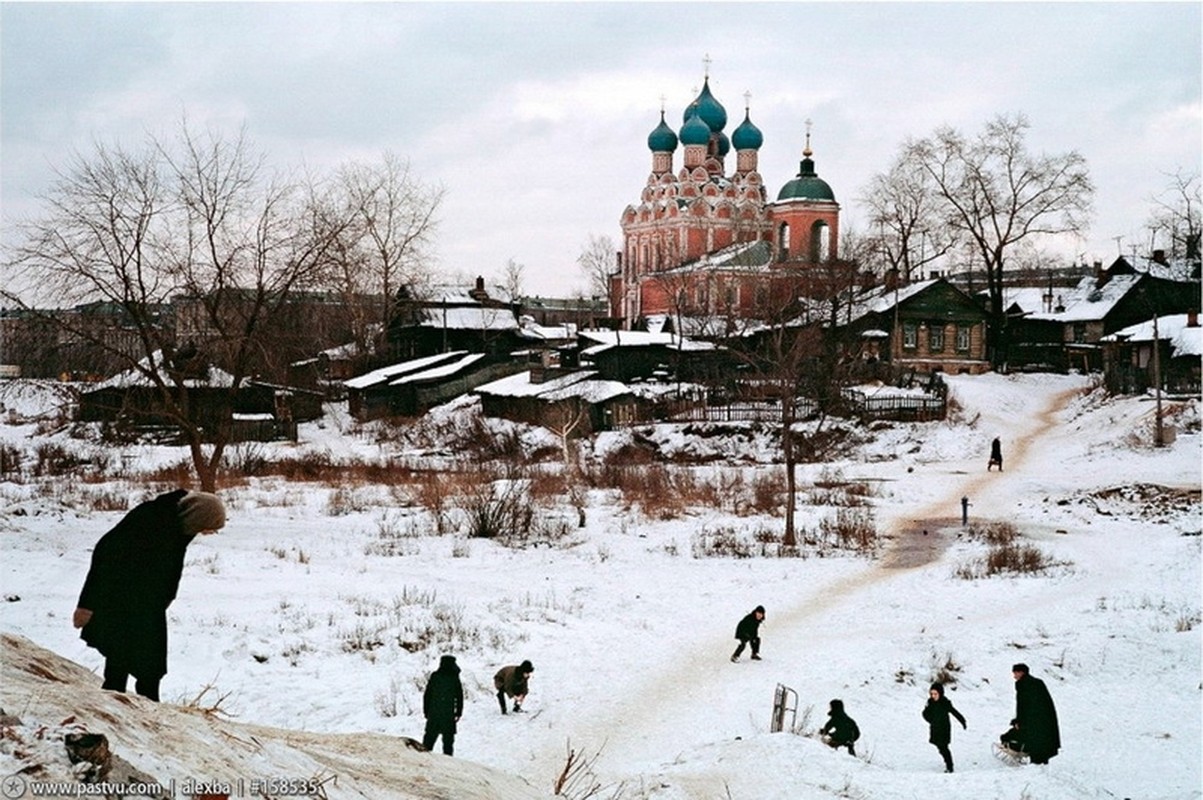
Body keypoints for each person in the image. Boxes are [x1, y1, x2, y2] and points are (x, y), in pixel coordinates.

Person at [73, 489, 226, 701]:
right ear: (196, 516)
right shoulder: (149, 518)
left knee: (151, 662)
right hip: (120, 596)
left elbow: (170, 565)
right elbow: (106, 553)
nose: (205, 532)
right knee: (120, 655)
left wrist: (167, 594)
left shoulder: (180, 525)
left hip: (150, 601)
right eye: (205, 527)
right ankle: (112, 703)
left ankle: (150, 707)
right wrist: (87, 604)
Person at [1012, 663, 1060, 764]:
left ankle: (1037, 763)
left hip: (1032, 718)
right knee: (1043, 739)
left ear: (1021, 672)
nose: (1014, 676)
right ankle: (1042, 761)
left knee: (1034, 739)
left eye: (1015, 673)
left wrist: (1019, 720)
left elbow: (1023, 705)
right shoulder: (1038, 682)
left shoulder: (1022, 684)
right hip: (1045, 717)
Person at [422, 654, 464, 755]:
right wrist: (458, 712)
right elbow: (459, 697)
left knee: (428, 742)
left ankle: (423, 760)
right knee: (448, 743)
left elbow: (427, 695)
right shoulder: (454, 677)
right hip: (448, 714)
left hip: (434, 712)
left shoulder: (435, 676)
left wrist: (426, 711)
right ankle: (448, 764)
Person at [922, 682, 966, 773]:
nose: (933, 696)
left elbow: (954, 712)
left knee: (944, 747)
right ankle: (947, 762)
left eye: (935, 694)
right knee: (939, 746)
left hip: (944, 729)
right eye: (932, 694)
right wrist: (930, 720)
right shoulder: (930, 702)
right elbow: (925, 713)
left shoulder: (945, 703)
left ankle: (950, 767)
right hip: (935, 728)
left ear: (940, 693)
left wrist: (962, 721)